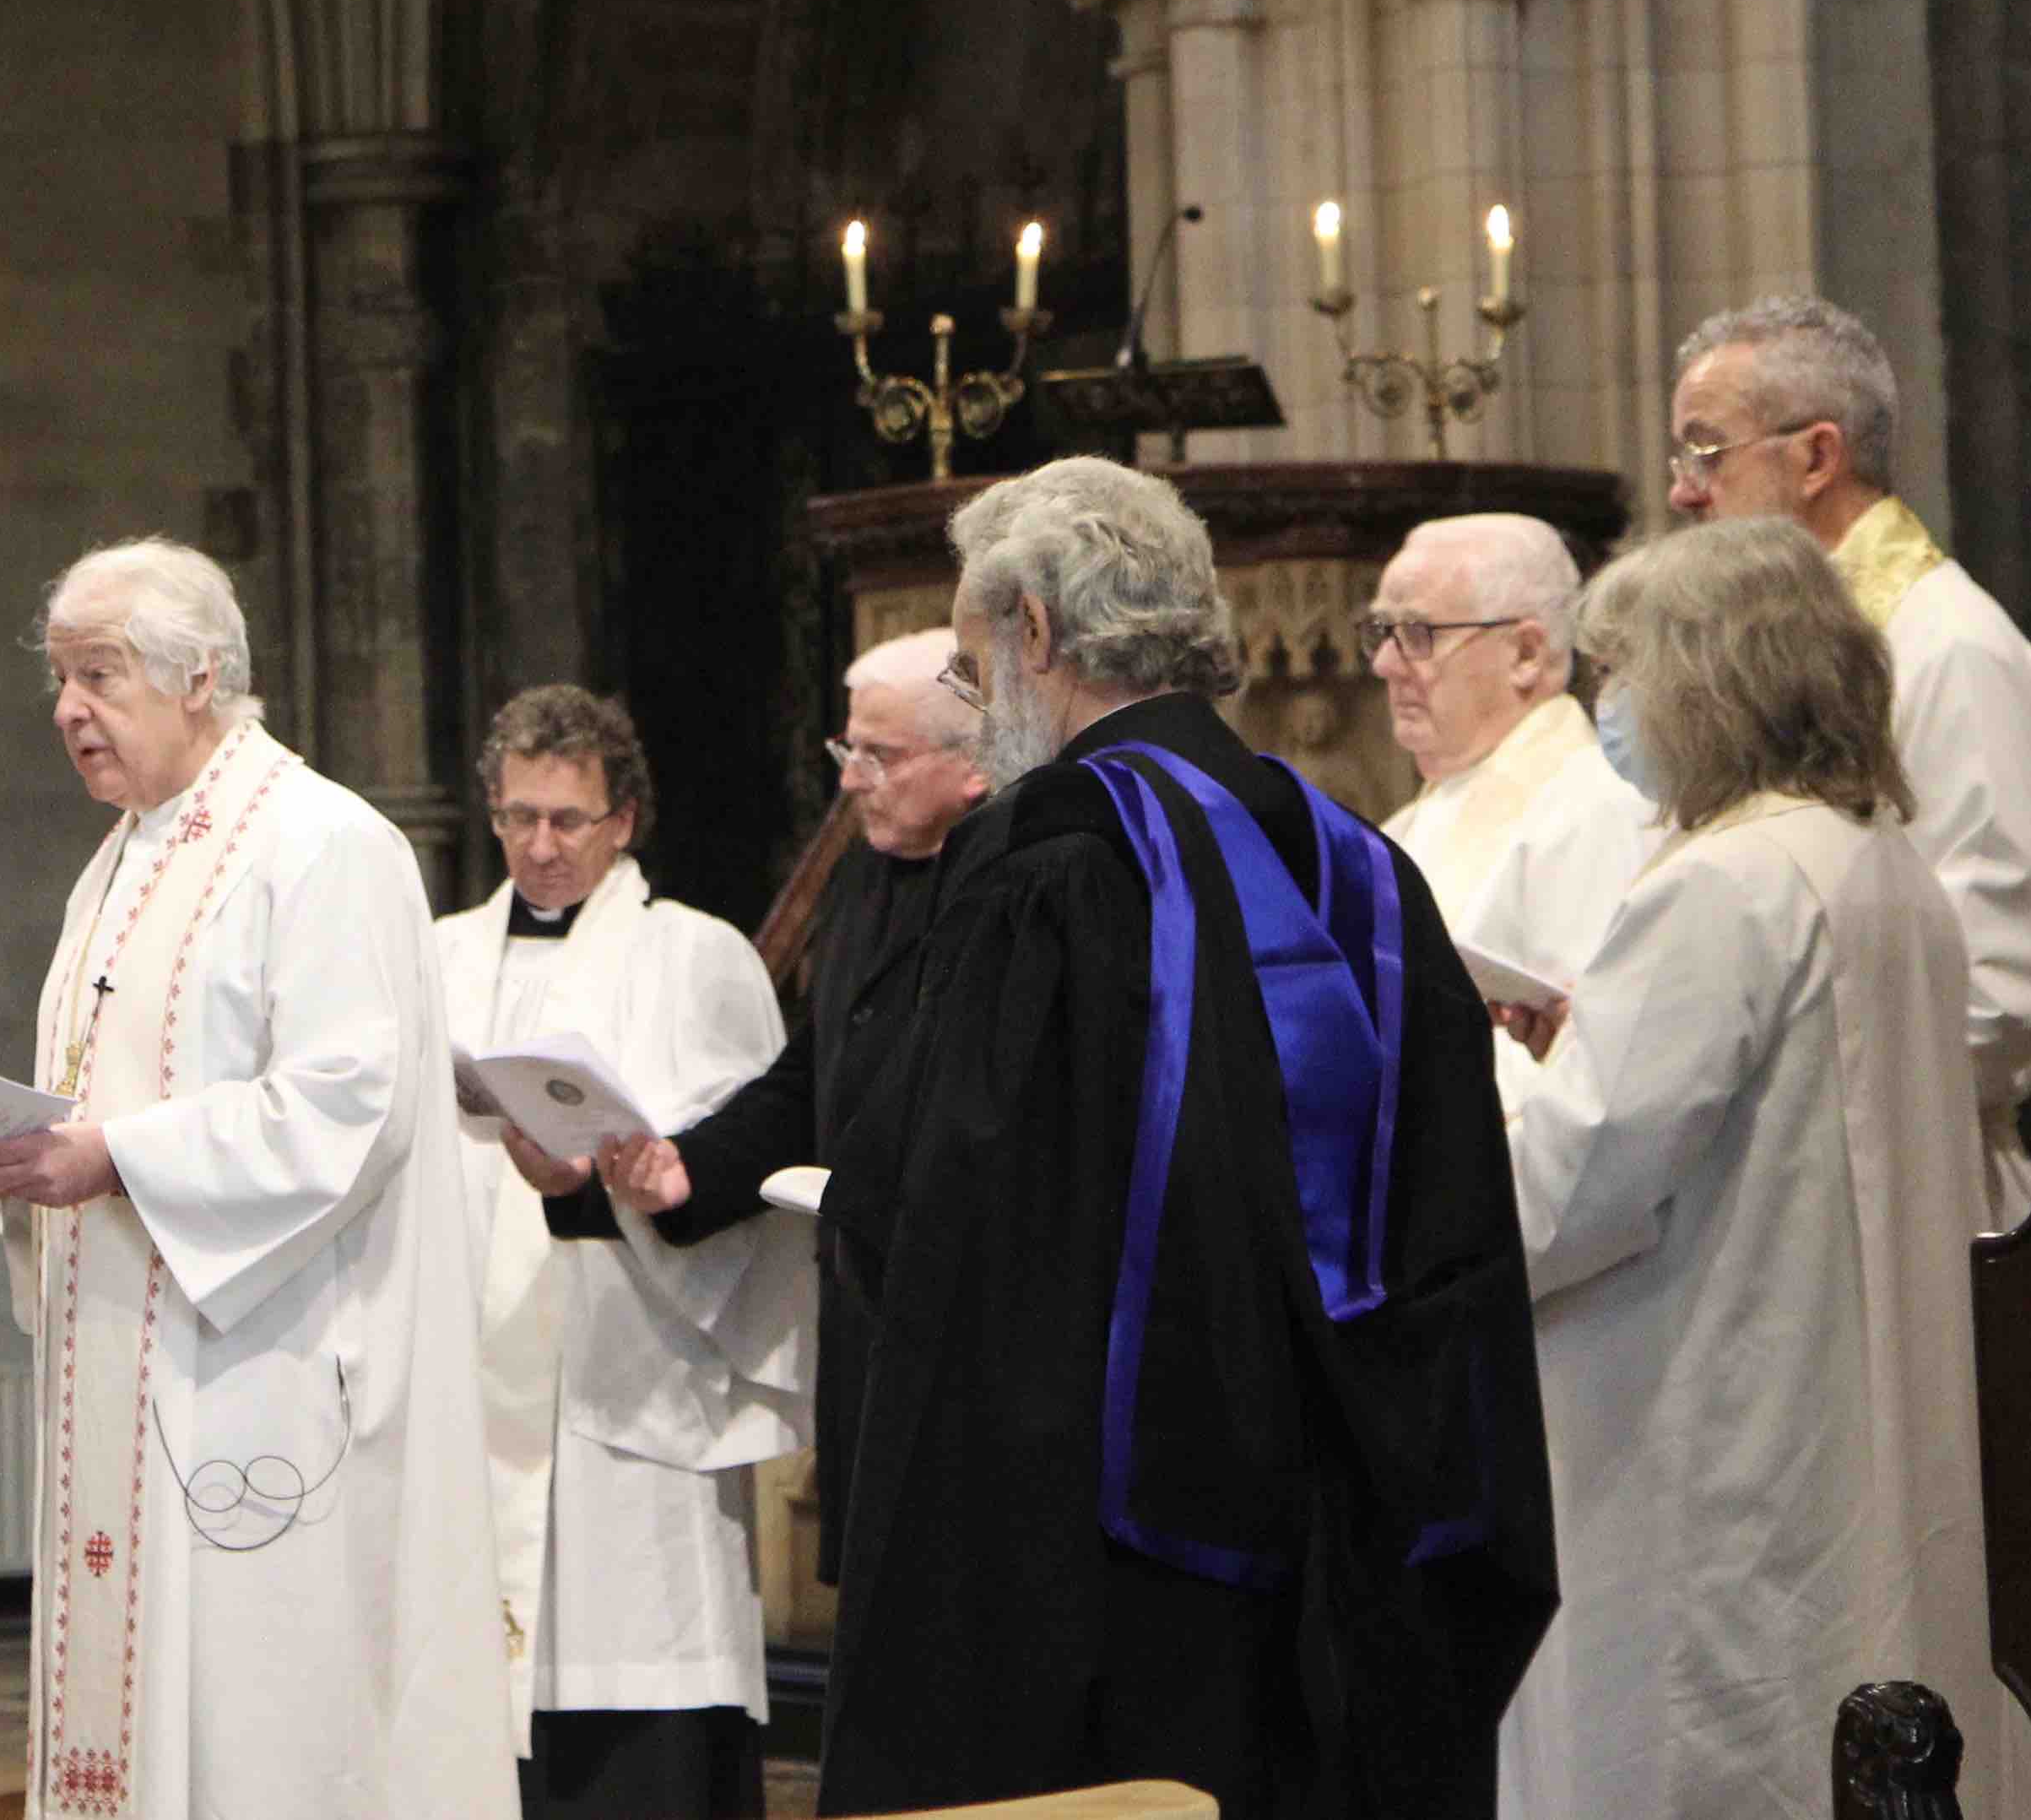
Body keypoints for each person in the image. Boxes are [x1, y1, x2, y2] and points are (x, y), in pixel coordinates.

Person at [800, 458, 1556, 1818]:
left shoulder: (1052, 864)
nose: (983, 707)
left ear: (1035, 633)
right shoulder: (1358, 865)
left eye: (978, 664)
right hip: (1343, 1549)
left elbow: (930, 1214)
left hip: (1117, 1573)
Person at [0, 537, 512, 1820]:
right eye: (61, 678)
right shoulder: (126, 855)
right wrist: (18, 1163)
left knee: (260, 1734)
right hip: (127, 1354)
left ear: (199, 677)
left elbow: (347, 1106)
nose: (68, 707)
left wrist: (108, 1156)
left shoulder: (321, 842)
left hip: (262, 1371)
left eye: (99, 674)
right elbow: (106, 1092)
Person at [1495, 517, 2028, 1819]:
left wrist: (1471, 1096)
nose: (1604, 706)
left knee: (1726, 1747)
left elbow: (1567, 1191)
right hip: (1849, 1394)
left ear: (1701, 679)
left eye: (1618, 672)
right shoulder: (1879, 863)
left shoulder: (1719, 883)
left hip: (1717, 1417)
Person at [434, 685, 793, 1818]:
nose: (539, 845)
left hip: (630, 1385)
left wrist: (619, 1187)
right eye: (517, 816)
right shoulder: (435, 958)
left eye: (568, 820)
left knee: (634, 1691)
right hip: (474, 1383)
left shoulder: (697, 956)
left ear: (623, 819)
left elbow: (750, 1177)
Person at [594, 626, 988, 1587]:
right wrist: (690, 1168)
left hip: (970, 1333)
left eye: (878, 755)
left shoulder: (1010, 889)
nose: (851, 780)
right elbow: (806, 1076)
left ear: (972, 763)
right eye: (846, 750)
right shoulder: (862, 879)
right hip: (865, 1325)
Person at [1668, 293, 2031, 1220]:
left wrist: (1735, 1054)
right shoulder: (1786, 661)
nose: (1682, 492)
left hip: (1914, 1194)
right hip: (1801, 1175)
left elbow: (2003, 996)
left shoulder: (1949, 650)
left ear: (1816, 456)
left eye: (1704, 451)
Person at [1368, 514, 1657, 1115]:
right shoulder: (1406, 827)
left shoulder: (1591, 809)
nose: (1384, 665)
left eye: (1418, 634)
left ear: (1525, 653)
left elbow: (1589, 1068)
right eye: (1380, 632)